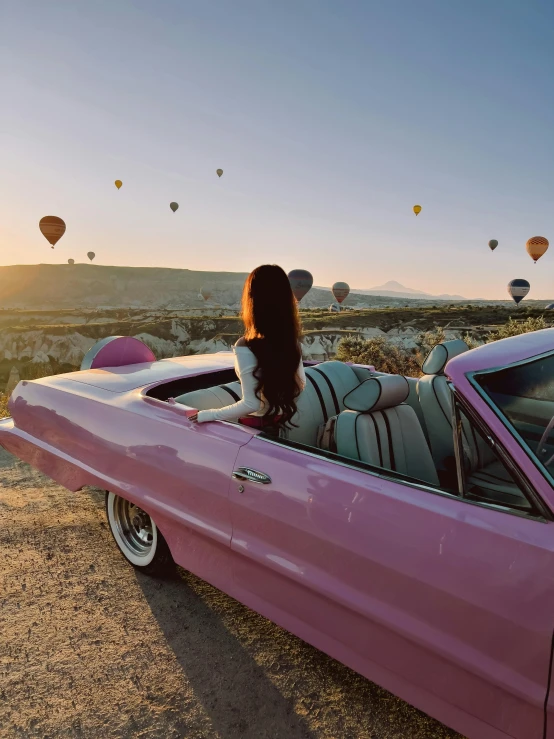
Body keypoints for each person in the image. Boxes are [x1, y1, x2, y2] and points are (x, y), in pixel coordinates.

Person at [189, 264, 306, 432]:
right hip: (279, 424)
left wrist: (207, 415)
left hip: (254, 429)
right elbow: (301, 384)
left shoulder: (246, 345)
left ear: (253, 299)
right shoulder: (291, 343)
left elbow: (251, 404)